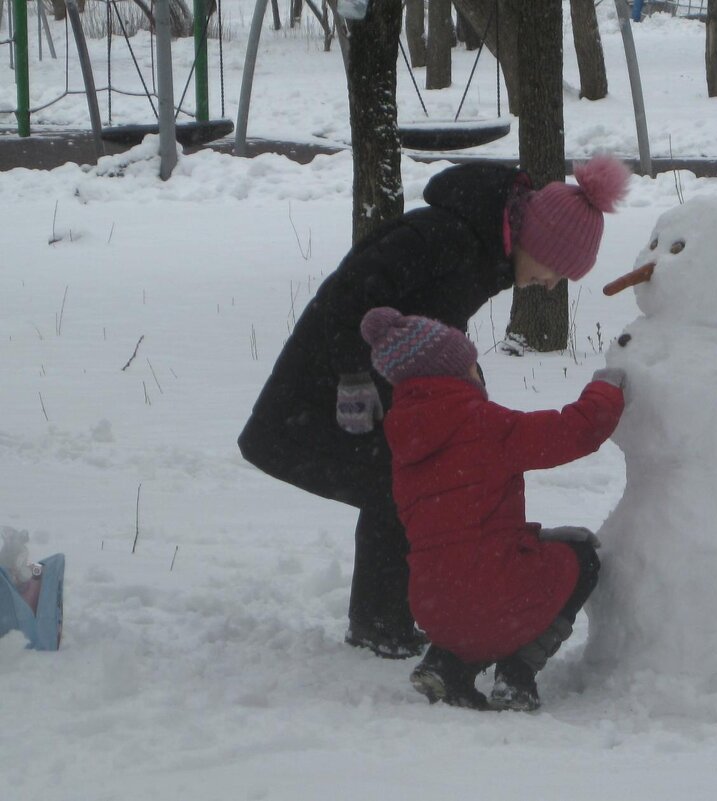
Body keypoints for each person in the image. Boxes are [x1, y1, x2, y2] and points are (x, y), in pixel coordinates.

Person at [237, 156, 630, 659]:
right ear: (539, 241)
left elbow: (434, 327)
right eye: (559, 270)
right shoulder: (446, 236)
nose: (554, 284)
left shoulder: (480, 249)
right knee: (399, 488)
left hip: (369, 398)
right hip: (322, 396)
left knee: (407, 488)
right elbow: (355, 294)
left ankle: (385, 621)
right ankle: (382, 625)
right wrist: (354, 378)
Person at [359, 307, 625, 710]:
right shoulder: (481, 424)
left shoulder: (403, 445)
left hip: (432, 607)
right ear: (458, 374)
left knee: (478, 588)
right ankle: (518, 675)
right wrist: (607, 390)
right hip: (489, 598)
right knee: (581, 555)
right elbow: (573, 432)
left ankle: (447, 665)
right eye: (472, 366)